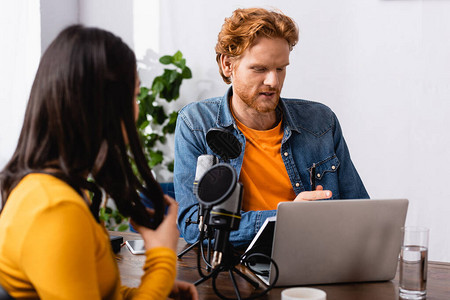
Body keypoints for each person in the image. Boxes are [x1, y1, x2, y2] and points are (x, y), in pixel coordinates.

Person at [0, 25, 197, 300]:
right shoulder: (54, 208)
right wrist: (162, 259)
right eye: (134, 95)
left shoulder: (61, 189)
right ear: (103, 106)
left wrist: (149, 292)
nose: (137, 109)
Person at [173, 7, 369, 248]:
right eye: (260, 69)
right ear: (227, 65)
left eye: (280, 68)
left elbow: (360, 212)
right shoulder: (196, 124)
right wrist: (285, 219)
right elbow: (194, 226)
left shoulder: (321, 121)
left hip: (314, 256)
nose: (273, 82)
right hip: (239, 265)